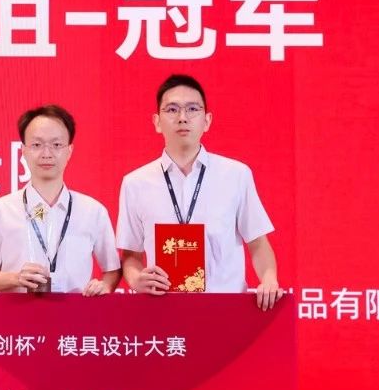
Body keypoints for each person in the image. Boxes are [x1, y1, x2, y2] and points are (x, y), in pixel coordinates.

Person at [116, 73, 284, 309]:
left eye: (192, 109)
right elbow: (131, 254)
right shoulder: (135, 183)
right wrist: (136, 280)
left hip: (226, 309)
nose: (182, 118)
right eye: (172, 110)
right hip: (163, 311)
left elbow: (257, 242)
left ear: (207, 121)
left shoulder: (236, 174)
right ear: (157, 122)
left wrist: (269, 279)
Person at [0, 104, 120, 295]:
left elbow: (112, 269)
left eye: (56, 145)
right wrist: (15, 278)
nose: (47, 154)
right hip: (17, 313)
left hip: (75, 313)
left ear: (69, 151)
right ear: (23, 150)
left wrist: (105, 286)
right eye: (37, 145)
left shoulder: (93, 211)